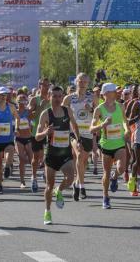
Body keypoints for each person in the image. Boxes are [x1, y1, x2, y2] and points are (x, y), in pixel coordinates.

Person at [36, 86, 79, 225]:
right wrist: (45, 133)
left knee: (71, 178)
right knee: (49, 185)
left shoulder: (67, 111)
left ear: (63, 97)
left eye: (60, 96)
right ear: (49, 97)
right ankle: (47, 212)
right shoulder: (46, 114)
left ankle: (59, 190)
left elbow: (74, 125)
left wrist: (78, 139)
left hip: (65, 153)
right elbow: (37, 136)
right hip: (52, 154)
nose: (57, 99)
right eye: (54, 96)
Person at [90, 83, 129, 209]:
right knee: (106, 172)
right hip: (106, 145)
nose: (117, 93)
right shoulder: (99, 109)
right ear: (106, 94)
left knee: (122, 168)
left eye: (116, 91)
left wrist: (127, 130)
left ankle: (115, 176)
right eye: (113, 91)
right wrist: (102, 125)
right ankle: (105, 197)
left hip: (119, 143)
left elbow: (125, 122)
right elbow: (91, 129)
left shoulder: (121, 106)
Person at [62, 72, 98, 200]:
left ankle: (76, 183)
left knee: (82, 159)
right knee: (79, 152)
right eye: (80, 81)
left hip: (88, 132)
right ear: (75, 82)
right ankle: (82, 186)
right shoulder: (69, 99)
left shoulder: (93, 97)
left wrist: (92, 110)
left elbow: (99, 115)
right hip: (74, 132)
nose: (82, 84)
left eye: (84, 82)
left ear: (88, 83)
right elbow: (61, 115)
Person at [29, 78, 51, 187]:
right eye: (44, 85)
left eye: (48, 85)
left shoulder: (52, 99)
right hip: (36, 132)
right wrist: (41, 106)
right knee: (36, 156)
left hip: (50, 132)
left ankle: (45, 173)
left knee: (48, 155)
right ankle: (34, 176)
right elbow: (30, 116)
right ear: (40, 86)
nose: (47, 87)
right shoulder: (34, 100)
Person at [15, 93, 34, 189]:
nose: (21, 103)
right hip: (18, 139)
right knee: (21, 159)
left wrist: (31, 128)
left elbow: (33, 122)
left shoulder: (28, 111)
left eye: (23, 100)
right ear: (17, 102)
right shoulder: (15, 112)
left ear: (26, 102)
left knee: (32, 159)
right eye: (19, 101)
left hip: (28, 138)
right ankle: (22, 181)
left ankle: (33, 177)